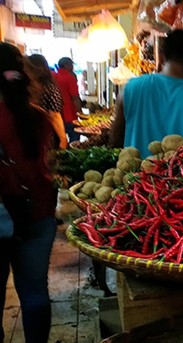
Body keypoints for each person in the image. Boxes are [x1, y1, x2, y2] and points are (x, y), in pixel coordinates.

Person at [0, 43, 57, 343]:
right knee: (35, 292)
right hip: (36, 212)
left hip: (3, 217)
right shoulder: (38, 117)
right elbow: (48, 163)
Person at [110, 29, 183, 157]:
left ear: (162, 57)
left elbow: (115, 141)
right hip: (182, 177)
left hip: (132, 176)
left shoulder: (129, 89)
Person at [28, 54, 67, 150]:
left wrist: (63, 139)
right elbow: (54, 115)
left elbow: (55, 116)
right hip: (40, 135)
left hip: (43, 135)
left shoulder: (48, 88)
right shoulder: (48, 88)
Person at [54, 57, 82, 143]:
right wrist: (80, 113)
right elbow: (75, 98)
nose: (72, 67)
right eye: (71, 65)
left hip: (56, 115)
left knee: (59, 141)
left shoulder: (53, 76)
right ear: (66, 65)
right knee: (74, 139)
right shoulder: (69, 77)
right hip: (69, 115)